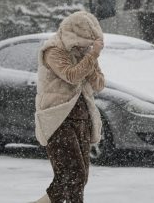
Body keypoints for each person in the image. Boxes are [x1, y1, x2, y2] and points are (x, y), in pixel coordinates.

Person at [33, 11, 105, 203]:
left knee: (79, 179)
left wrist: (91, 61)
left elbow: (99, 84)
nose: (85, 47)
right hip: (57, 119)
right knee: (72, 174)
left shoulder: (84, 52)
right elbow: (71, 76)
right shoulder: (53, 50)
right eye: (83, 42)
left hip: (82, 117)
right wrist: (92, 56)